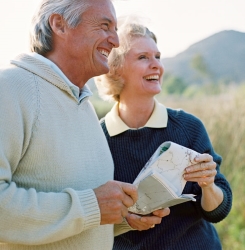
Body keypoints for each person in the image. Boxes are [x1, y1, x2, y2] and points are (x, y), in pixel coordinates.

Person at [0, 1, 142, 249]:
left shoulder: (84, 104)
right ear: (59, 24)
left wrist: (121, 217)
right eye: (105, 26)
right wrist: (92, 207)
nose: (116, 41)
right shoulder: (10, 89)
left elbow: (78, 217)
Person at [95, 19, 232, 249]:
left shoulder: (188, 128)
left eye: (157, 56)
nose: (156, 65)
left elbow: (217, 211)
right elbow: (93, 216)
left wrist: (209, 185)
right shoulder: (97, 138)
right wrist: (125, 221)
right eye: (143, 57)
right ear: (115, 69)